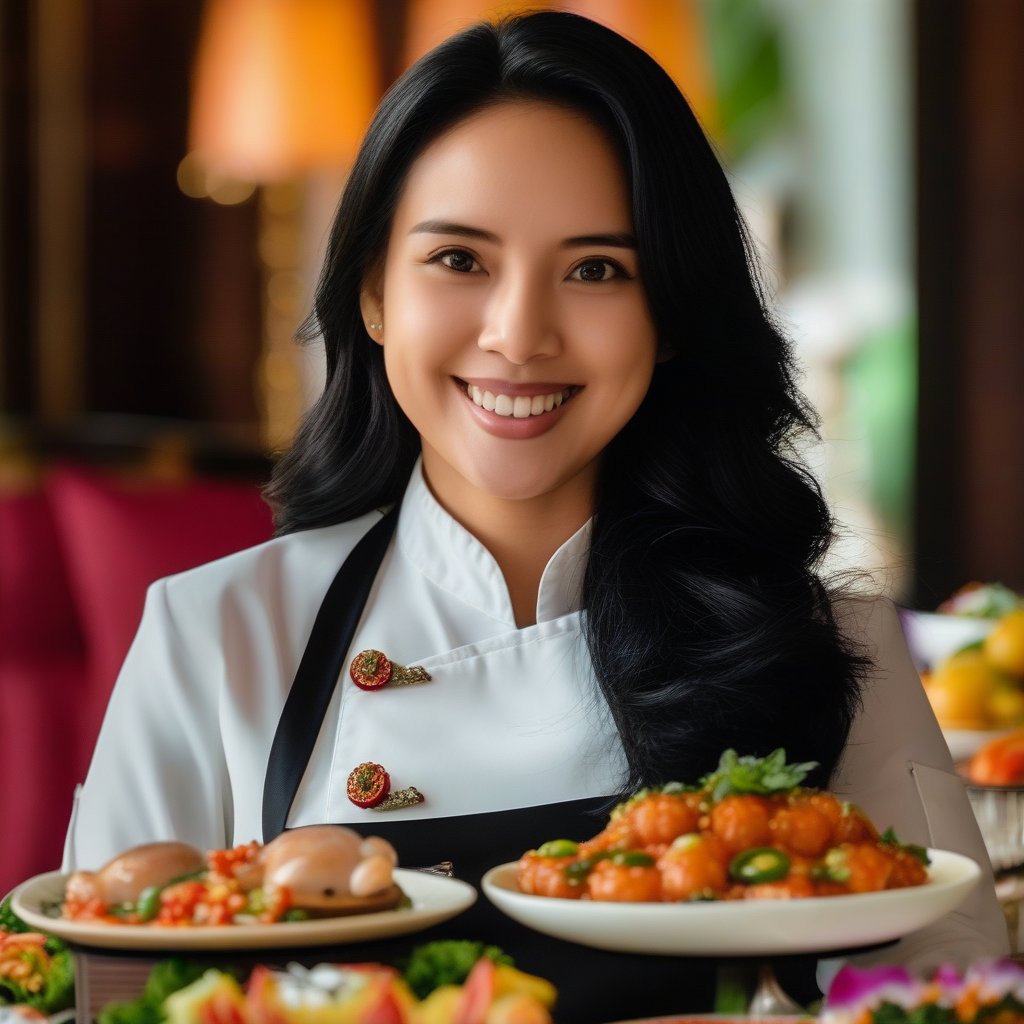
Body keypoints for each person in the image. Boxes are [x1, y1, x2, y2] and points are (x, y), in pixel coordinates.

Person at [63, 10, 1007, 1020]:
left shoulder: (831, 646)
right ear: (374, 293)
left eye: (597, 268)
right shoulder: (217, 633)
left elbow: (956, 1000)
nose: (518, 333)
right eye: (458, 260)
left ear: (673, 315)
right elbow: (100, 995)